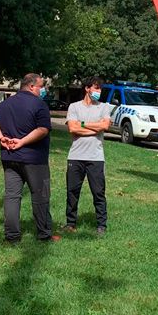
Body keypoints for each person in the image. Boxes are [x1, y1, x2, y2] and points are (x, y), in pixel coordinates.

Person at [0, 73, 59, 243]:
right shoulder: (39, 105)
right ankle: (44, 233)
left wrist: (1, 139)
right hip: (34, 159)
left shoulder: (4, 104)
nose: (43, 90)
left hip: (9, 156)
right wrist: (22, 142)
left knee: (12, 196)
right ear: (31, 86)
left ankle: (12, 236)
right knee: (40, 195)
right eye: (42, 86)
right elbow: (43, 129)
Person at [64, 79, 112, 235]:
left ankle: (101, 225)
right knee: (72, 191)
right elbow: (72, 128)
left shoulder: (104, 107)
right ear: (87, 89)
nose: (98, 91)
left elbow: (104, 126)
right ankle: (70, 223)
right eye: (96, 88)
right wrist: (93, 127)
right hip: (76, 156)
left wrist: (82, 124)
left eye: (100, 89)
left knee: (98, 192)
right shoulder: (74, 107)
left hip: (96, 157)